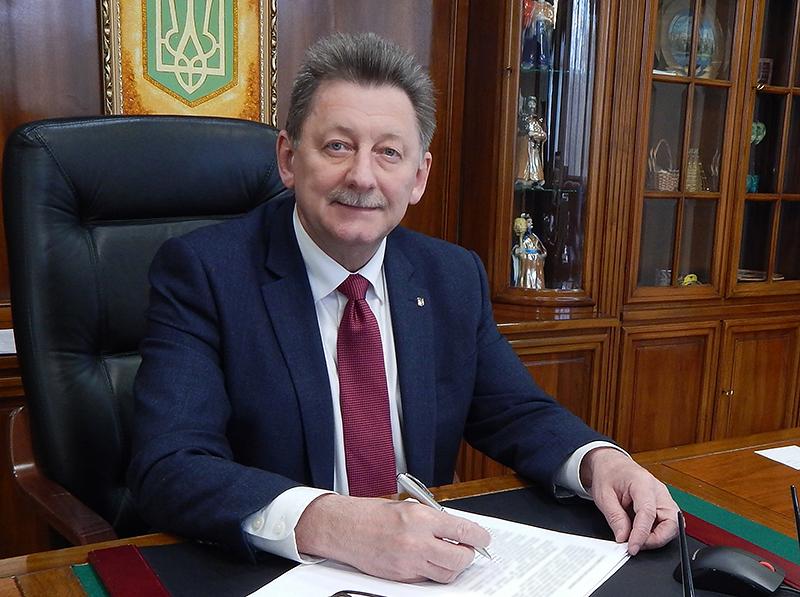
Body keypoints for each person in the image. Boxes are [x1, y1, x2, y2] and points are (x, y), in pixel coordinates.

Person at [128, 32, 678, 584]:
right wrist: (334, 524)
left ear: (418, 177)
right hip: (278, 574)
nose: (362, 177)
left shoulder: (450, 275)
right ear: (289, 159)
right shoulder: (204, 274)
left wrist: (600, 461)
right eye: (337, 146)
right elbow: (170, 466)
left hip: (425, 574)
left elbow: (514, 411)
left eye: (389, 152)